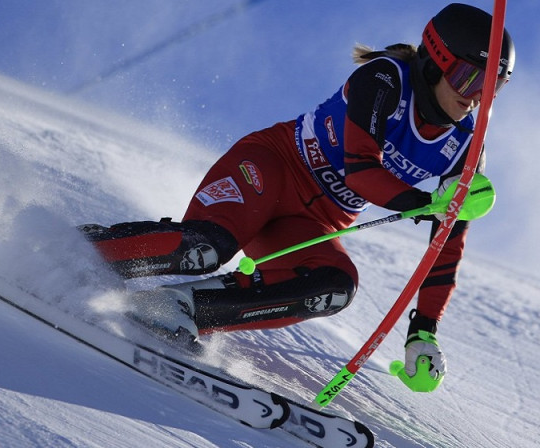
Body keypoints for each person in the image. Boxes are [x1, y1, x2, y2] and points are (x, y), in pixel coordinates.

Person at [82, 3, 515, 390]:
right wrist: (421, 203)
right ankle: (82, 250)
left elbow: (448, 242)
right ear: (435, 62)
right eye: (467, 76)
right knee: (207, 247)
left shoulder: (465, 146)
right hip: (272, 170)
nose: (474, 96)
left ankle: (179, 306)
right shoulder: (384, 79)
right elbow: (360, 169)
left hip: (311, 224)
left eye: (491, 86)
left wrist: (424, 330)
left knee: (335, 286)